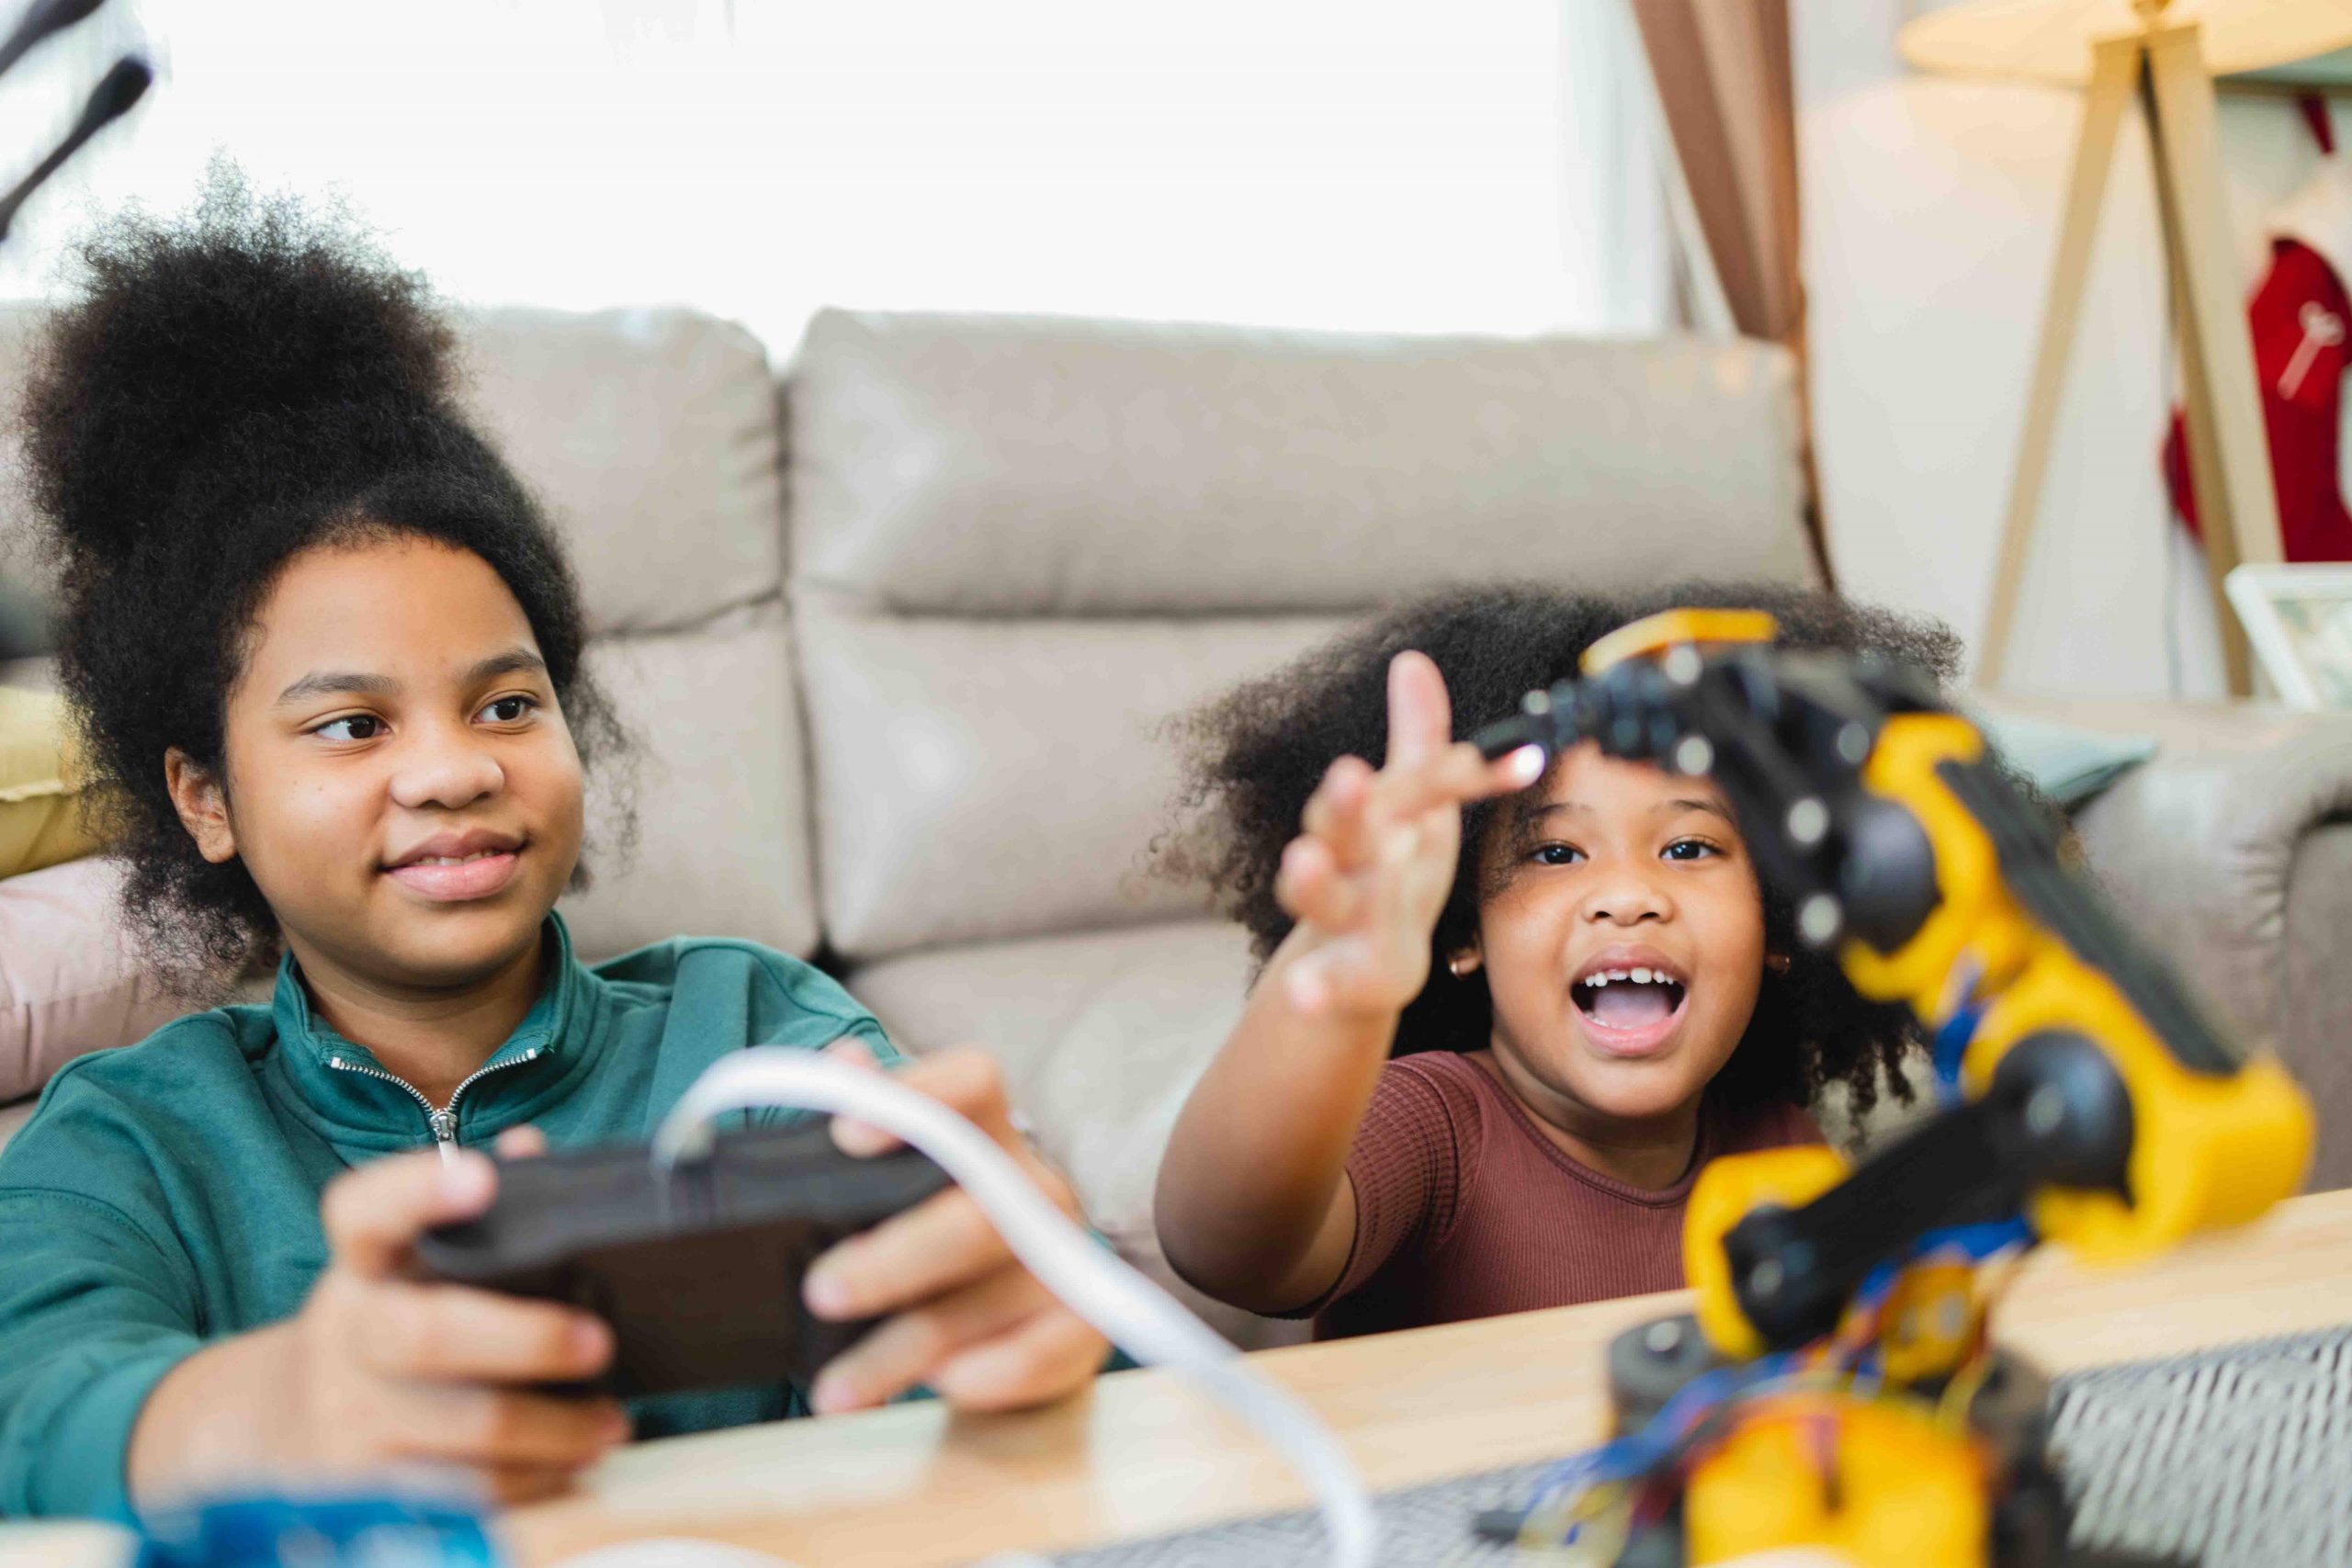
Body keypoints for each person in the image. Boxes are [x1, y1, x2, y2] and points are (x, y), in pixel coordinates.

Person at [0, 172, 1105, 1520]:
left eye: (508, 704)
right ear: (204, 797)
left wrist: (1021, 1282)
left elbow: (970, 1306)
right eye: (352, 724)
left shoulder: (752, 1028)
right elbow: (33, 1398)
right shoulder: (134, 1135)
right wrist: (271, 1406)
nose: (459, 765)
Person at [1153, 585, 1952, 1338]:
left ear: (1780, 916)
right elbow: (1227, 1247)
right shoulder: (1437, 1126)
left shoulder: (1779, 1141)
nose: (1629, 895)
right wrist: (1332, 986)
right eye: (1557, 851)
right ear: (1463, 930)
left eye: (1688, 846)